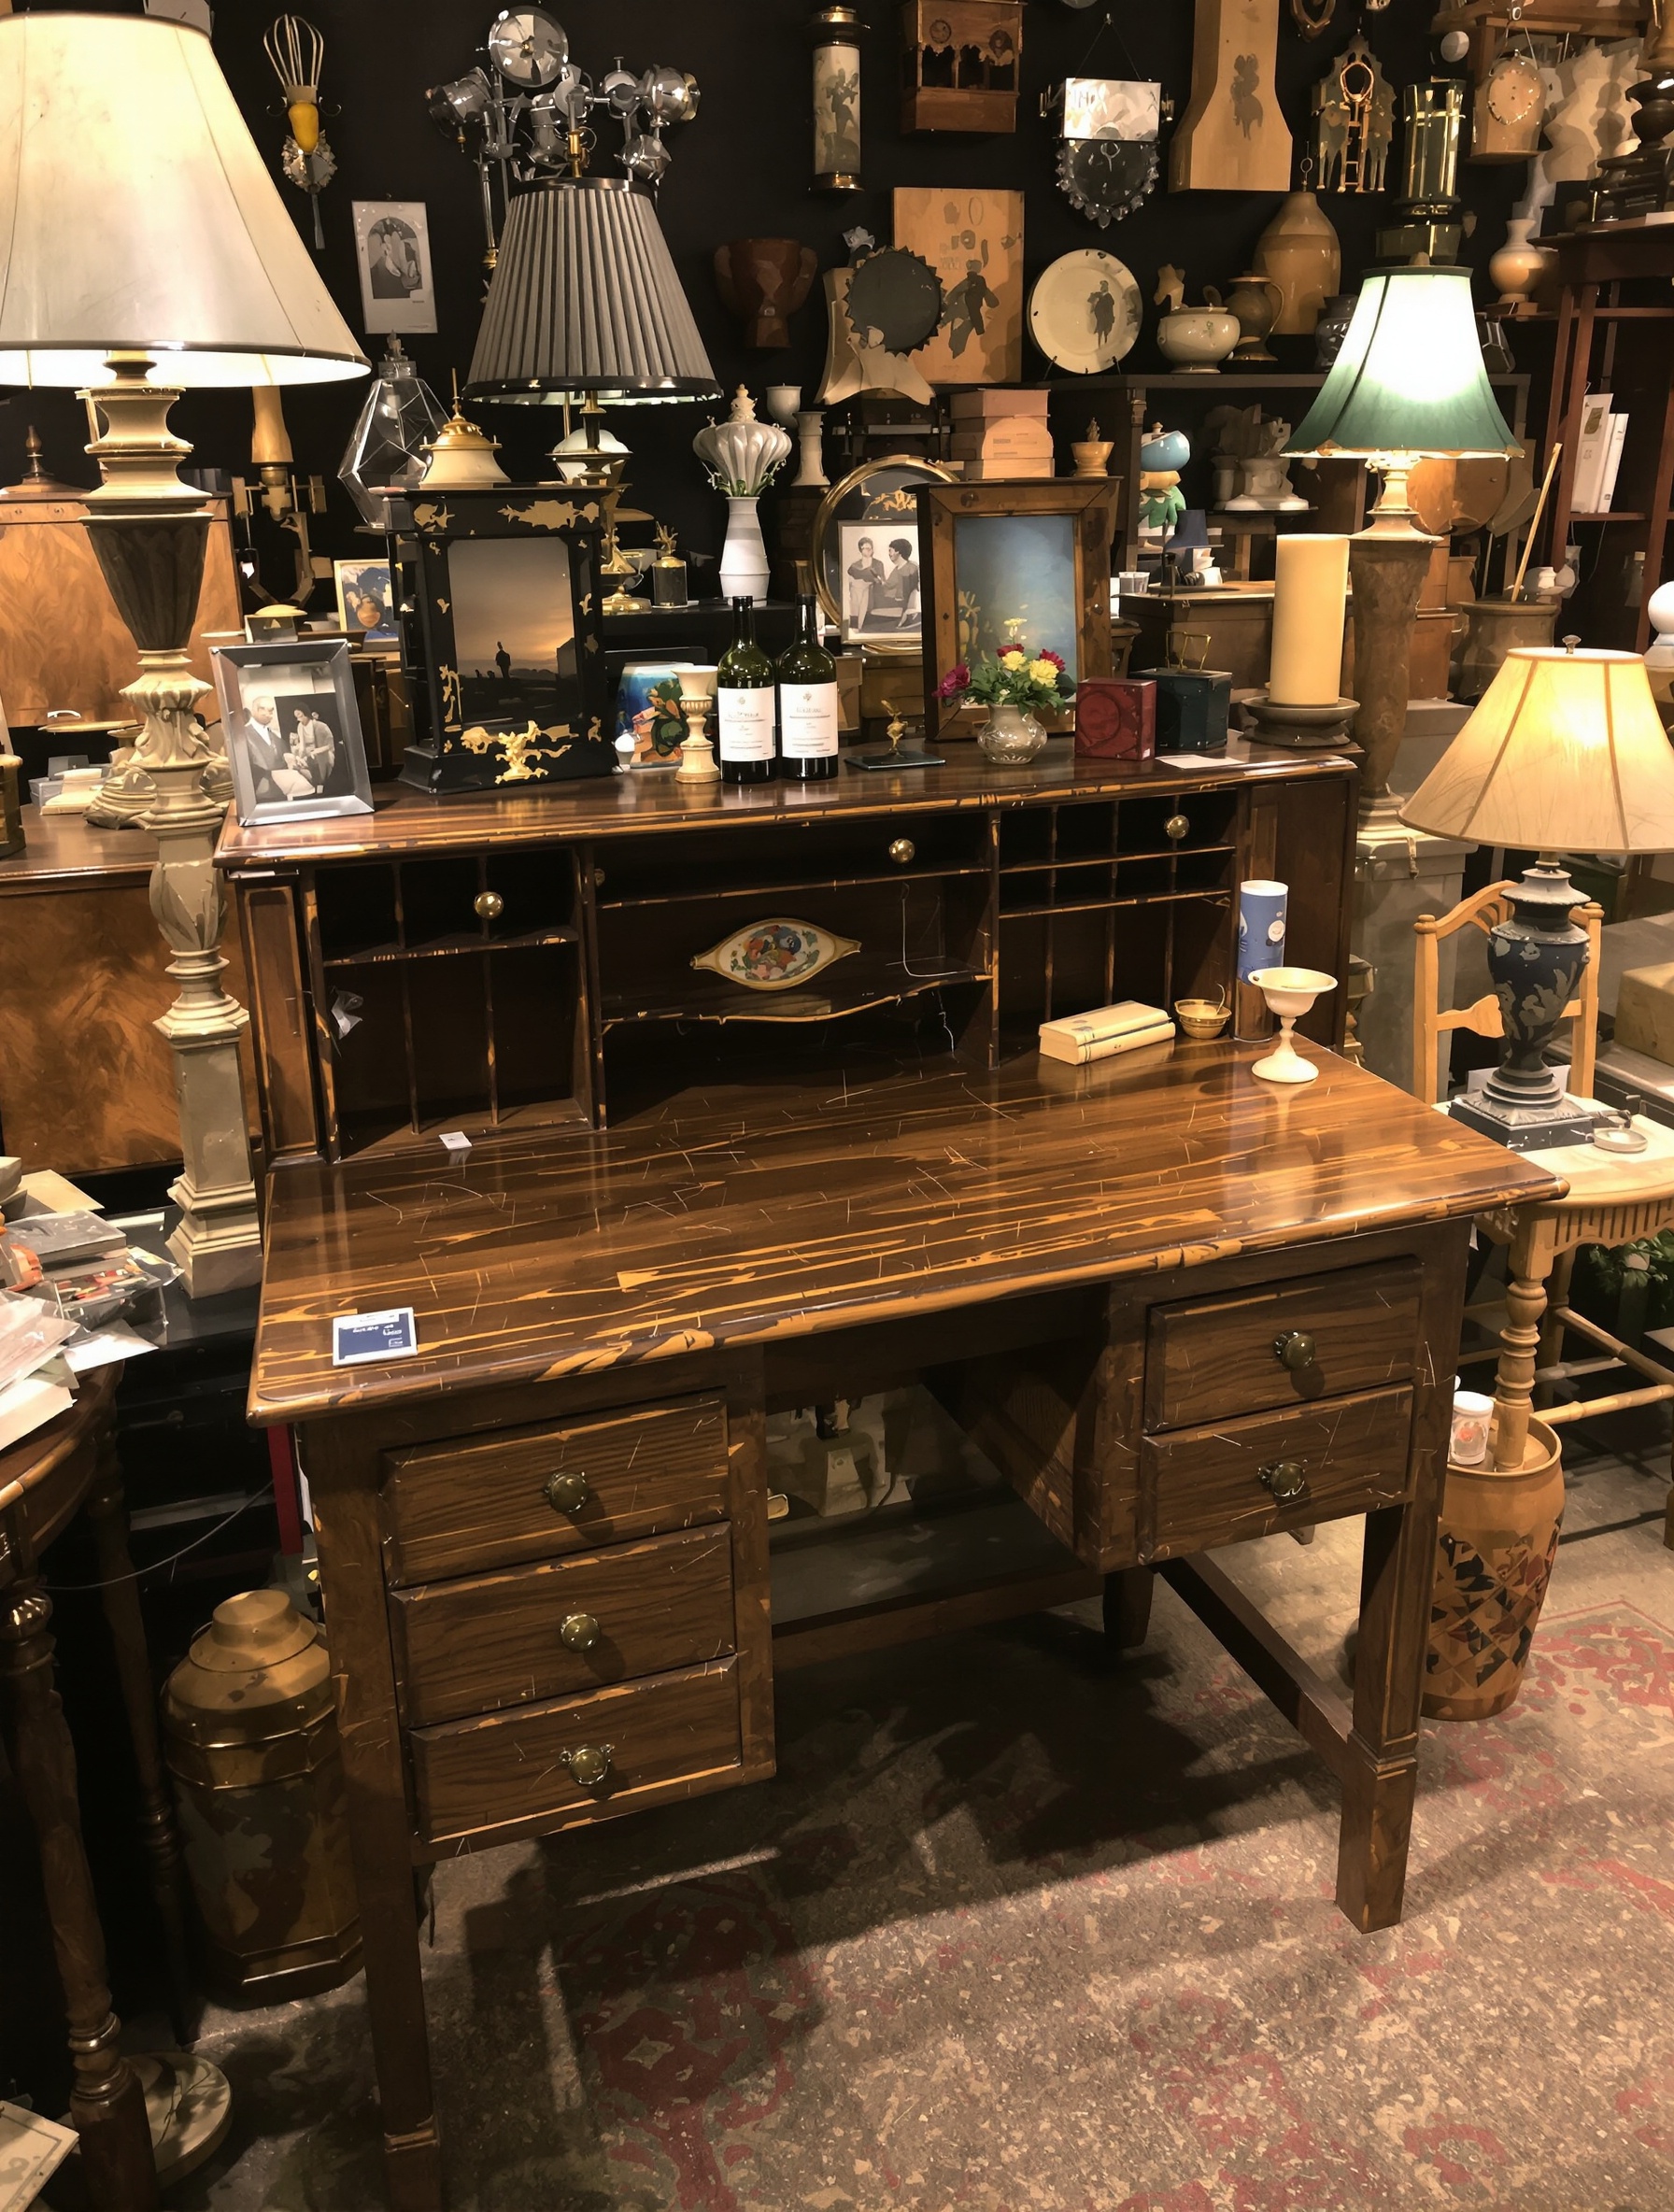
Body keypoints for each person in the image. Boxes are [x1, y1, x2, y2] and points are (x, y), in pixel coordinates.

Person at [241, 693, 295, 805]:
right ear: (254, 710)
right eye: (263, 710)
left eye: (271, 711)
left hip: (281, 791)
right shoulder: (242, 735)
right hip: (259, 794)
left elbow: (283, 759)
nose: (268, 714)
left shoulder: (275, 736)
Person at [868, 538, 920, 631]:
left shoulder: (912, 567)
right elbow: (887, 585)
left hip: (907, 603)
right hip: (897, 601)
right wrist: (877, 578)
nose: (889, 554)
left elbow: (913, 590)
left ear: (898, 552)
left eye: (890, 551)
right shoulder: (896, 570)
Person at [288, 703, 337, 795]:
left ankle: (321, 790)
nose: (298, 719)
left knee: (319, 774)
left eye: (300, 715)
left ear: (306, 713)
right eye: (296, 717)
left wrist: (317, 751)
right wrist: (301, 756)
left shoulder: (321, 726)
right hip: (308, 754)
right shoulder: (300, 727)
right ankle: (314, 790)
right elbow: (302, 745)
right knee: (298, 765)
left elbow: (330, 745)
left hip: (321, 753)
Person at [846, 536, 885, 631]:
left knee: (859, 589)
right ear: (860, 550)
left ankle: (856, 625)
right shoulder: (855, 565)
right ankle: (856, 625)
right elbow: (851, 573)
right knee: (856, 587)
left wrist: (875, 579)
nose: (868, 550)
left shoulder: (878, 564)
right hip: (858, 589)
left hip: (871, 589)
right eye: (865, 548)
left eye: (869, 548)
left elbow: (882, 580)